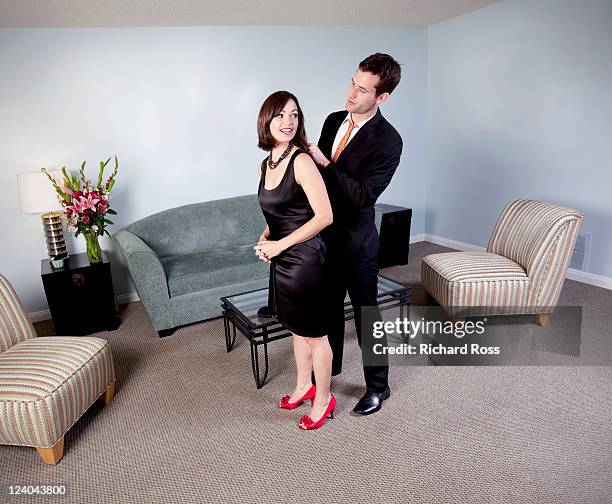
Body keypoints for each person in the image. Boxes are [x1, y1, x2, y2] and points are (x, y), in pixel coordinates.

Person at [307, 53, 403, 416]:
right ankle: (326, 374)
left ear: (382, 97)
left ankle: (379, 386)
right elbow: (315, 179)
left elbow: (363, 195)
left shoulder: (389, 141)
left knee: (366, 316)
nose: (351, 93)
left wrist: (324, 164)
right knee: (328, 310)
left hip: (358, 244)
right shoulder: (333, 120)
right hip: (323, 238)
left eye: (362, 90)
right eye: (352, 82)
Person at [254, 91, 335, 430]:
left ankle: (323, 398)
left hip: (305, 259)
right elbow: (278, 210)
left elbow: (324, 216)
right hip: (283, 257)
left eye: (295, 115)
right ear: (266, 121)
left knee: (315, 334)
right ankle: (304, 385)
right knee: (296, 326)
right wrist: (265, 237)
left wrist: (280, 245)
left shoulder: (301, 161)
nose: (288, 122)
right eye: (281, 115)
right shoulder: (267, 161)